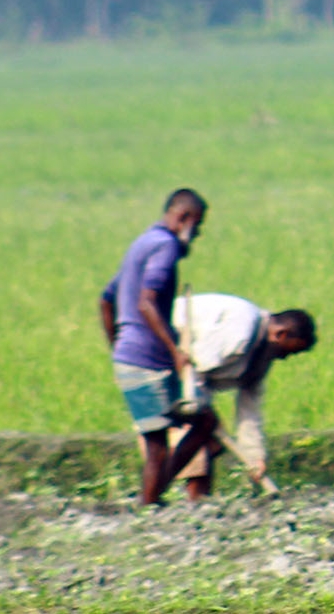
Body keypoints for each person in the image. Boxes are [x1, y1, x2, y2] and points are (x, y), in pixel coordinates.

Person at [98, 188, 220, 505]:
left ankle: (154, 497)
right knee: (158, 444)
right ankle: (150, 503)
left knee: (201, 422)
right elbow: (147, 303)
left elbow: (105, 299)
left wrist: (118, 345)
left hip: (134, 356)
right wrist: (175, 349)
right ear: (185, 218)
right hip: (148, 360)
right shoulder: (164, 247)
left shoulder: (142, 244)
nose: (197, 235)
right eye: (199, 226)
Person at [167, 293, 317, 500]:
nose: (286, 358)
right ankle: (169, 493)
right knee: (200, 437)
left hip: (193, 379)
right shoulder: (241, 330)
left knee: (209, 441)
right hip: (166, 358)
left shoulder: (262, 358)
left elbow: (250, 408)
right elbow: (195, 366)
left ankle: (195, 498)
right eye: (289, 351)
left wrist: (255, 457)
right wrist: (201, 408)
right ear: (281, 334)